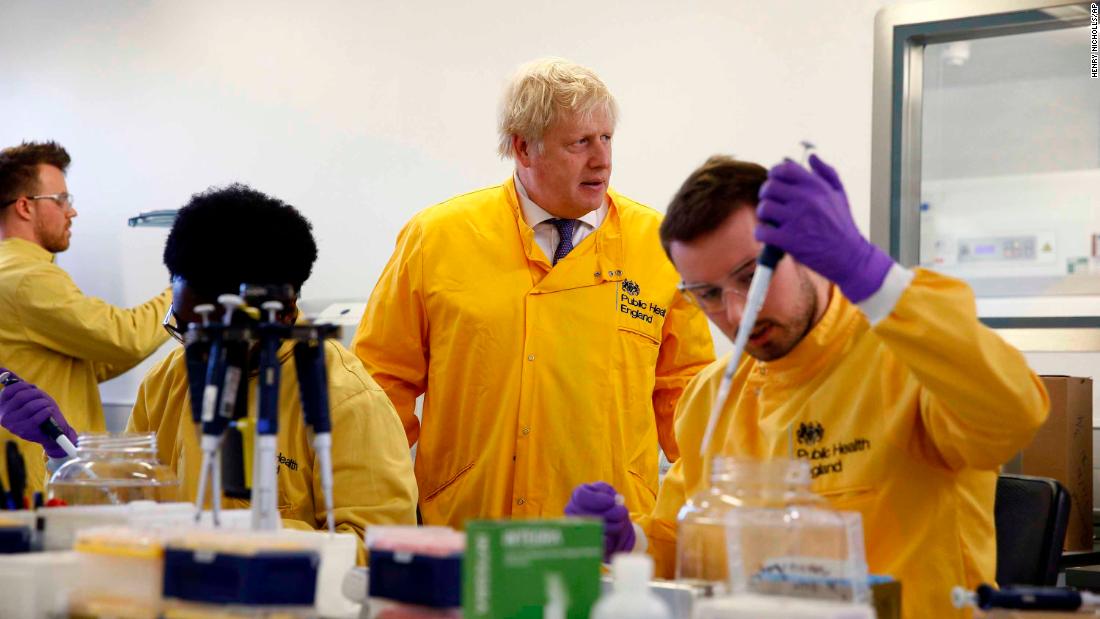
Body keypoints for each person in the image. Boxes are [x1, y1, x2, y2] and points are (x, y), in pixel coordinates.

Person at [566, 155, 1049, 617]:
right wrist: (631, 544)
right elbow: (691, 553)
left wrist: (867, 269)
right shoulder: (712, 397)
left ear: (806, 251)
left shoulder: (905, 361)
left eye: (752, 278)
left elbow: (1013, 413)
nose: (737, 313)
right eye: (708, 295)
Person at [353, 58, 714, 528]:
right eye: (579, 142)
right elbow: (381, 384)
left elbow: (688, 395)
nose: (601, 159)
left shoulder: (659, 244)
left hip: (609, 534)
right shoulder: (437, 237)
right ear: (524, 148)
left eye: (606, 138)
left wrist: (715, 507)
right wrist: (376, 511)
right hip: (467, 526)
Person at [1, 184, 418, 544]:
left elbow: (373, 549)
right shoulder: (168, 380)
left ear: (283, 312)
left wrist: (236, 536)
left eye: (217, 335)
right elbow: (127, 513)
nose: (198, 353)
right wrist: (67, 455)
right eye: (185, 328)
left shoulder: (344, 398)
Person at [0, 141, 171, 491]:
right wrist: (185, 290)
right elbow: (125, 337)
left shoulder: (13, 272)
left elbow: (88, 363)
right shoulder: (28, 278)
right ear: (24, 207)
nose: (71, 212)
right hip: (43, 480)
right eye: (62, 199)